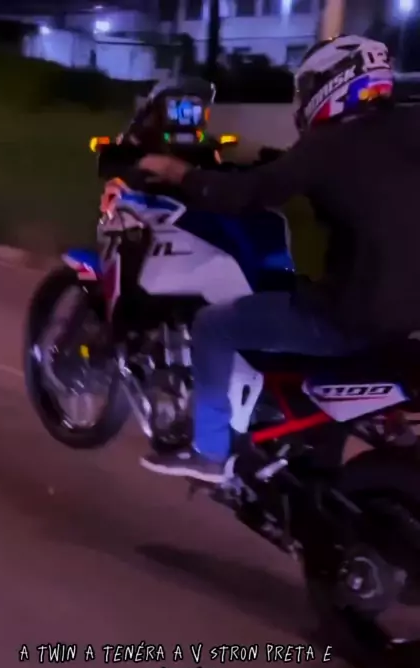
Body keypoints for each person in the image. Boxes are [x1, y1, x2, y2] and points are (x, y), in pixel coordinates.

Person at [109, 36, 420, 483]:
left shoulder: (328, 146)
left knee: (214, 325)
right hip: (409, 319)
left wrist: (180, 172)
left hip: (352, 319)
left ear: (334, 82)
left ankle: (209, 451)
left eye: (308, 86)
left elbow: (248, 193)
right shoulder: (409, 124)